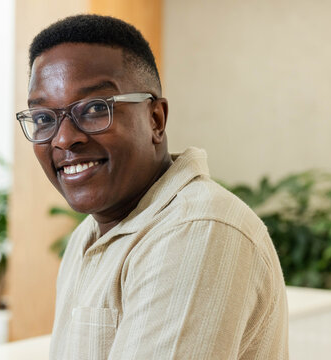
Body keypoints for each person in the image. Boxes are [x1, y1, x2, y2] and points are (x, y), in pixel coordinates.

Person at [16, 14, 288, 360]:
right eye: (43, 118)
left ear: (155, 119)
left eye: (96, 109)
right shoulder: (88, 236)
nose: (65, 138)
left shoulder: (197, 229)